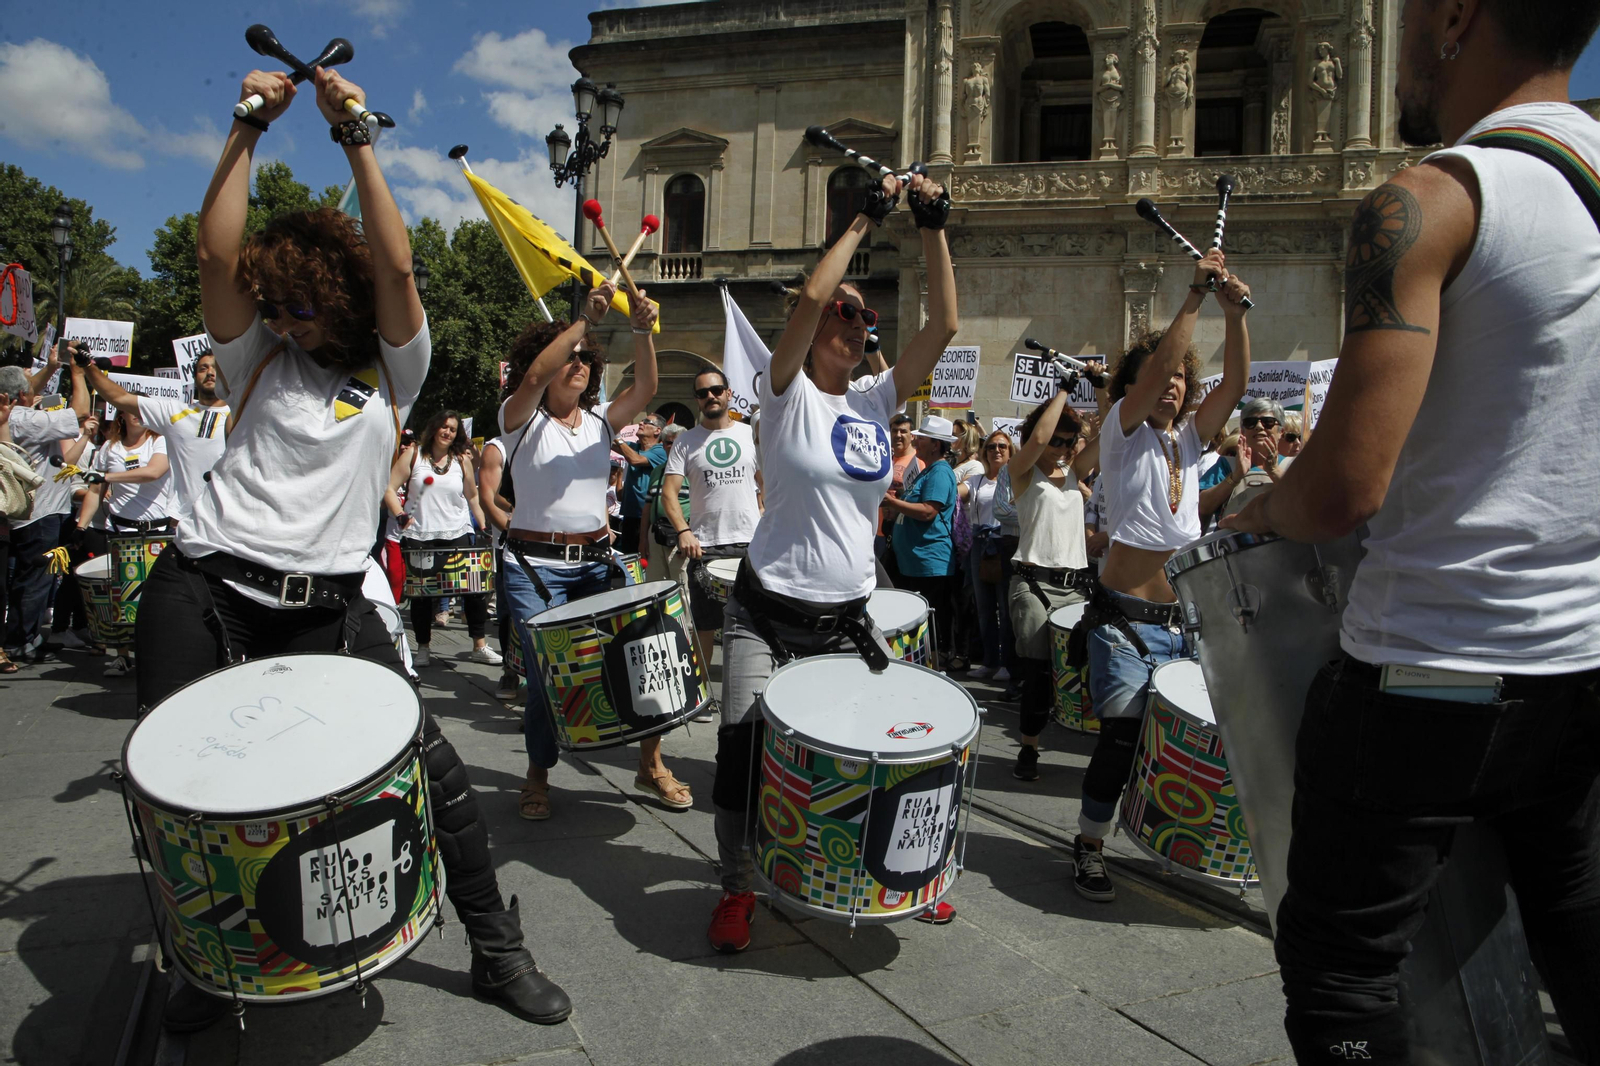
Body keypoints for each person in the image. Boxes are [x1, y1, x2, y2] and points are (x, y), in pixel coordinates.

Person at [133, 65, 570, 1030]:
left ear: (340, 296)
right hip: (205, 588)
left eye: (303, 307)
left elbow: (399, 271)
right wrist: (248, 124)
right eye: (273, 307)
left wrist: (356, 134)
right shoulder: (253, 353)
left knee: (433, 769)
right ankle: (204, 961)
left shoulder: (394, 369)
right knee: (175, 789)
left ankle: (497, 949)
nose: (284, 324)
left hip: (329, 605)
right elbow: (214, 256)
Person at [1221, 0, 1600, 1055]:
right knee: (1577, 926)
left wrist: (1260, 507)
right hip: (1580, 663)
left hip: (1432, 667)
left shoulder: (1430, 200)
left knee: (1343, 975)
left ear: (1455, 17)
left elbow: (1341, 490)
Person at [706, 165, 958, 952]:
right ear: (812, 327)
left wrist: (931, 226)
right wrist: (864, 218)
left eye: (865, 317)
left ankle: (876, 871)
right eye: (843, 313)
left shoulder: (877, 401)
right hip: (766, 611)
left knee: (866, 750)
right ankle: (738, 886)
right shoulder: (784, 392)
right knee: (742, 751)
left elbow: (945, 326)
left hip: (847, 615)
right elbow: (815, 294)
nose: (855, 323)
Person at [1074, 248, 1251, 903]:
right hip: (1123, 622)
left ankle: (1171, 837)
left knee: (1186, 742)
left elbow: (1236, 385)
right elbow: (1149, 381)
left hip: (1182, 626)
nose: (1171, 382)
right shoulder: (1121, 433)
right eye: (1159, 374)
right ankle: (1090, 844)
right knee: (1122, 739)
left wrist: (1235, 315)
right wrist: (1194, 298)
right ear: (1135, 385)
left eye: (1180, 375)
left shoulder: (1191, 441)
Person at [497, 290, 693, 822]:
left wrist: (642, 330)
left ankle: (650, 765)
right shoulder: (519, 418)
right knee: (547, 674)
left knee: (642, 658)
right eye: (570, 356)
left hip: (597, 564)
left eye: (587, 358)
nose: (579, 363)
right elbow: (533, 378)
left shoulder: (601, 421)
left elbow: (647, 387)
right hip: (535, 570)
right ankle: (537, 775)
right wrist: (584, 321)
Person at [1004, 381, 1104, 781]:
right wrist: (1063, 391)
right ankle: (1028, 748)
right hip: (1032, 583)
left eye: (1070, 440)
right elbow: (1039, 438)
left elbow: (1112, 431)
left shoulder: (1075, 471)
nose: (1062, 447)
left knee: (1077, 668)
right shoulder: (1022, 470)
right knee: (1038, 671)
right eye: (1057, 440)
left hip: (1075, 586)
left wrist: (1102, 388)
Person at [663, 366, 762, 702]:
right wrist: (683, 531)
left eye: (716, 390)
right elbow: (669, 493)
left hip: (750, 545)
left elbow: (769, 484)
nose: (711, 397)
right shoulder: (685, 441)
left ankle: (755, 697)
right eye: (703, 393)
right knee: (704, 627)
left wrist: (768, 517)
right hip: (704, 548)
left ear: (728, 393)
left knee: (756, 625)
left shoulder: (750, 435)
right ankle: (701, 695)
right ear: (697, 399)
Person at [389, 408, 499, 668]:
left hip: (459, 532)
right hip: (421, 535)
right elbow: (389, 488)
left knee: (474, 590)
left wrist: (483, 525)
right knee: (422, 596)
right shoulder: (413, 455)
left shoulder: (461, 460)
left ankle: (479, 646)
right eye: (444, 427)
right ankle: (423, 648)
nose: (448, 432)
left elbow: (472, 496)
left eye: (453, 429)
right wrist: (400, 514)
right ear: (434, 427)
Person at [70, 406, 173, 676]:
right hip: (121, 531)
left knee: (156, 598)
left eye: (142, 410)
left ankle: (156, 654)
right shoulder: (109, 448)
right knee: (121, 597)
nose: (138, 414)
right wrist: (81, 526)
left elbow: (153, 472)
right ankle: (123, 656)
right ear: (121, 416)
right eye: (131, 410)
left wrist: (107, 476)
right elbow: (95, 491)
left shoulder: (160, 441)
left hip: (157, 532)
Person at [2, 354, 89, 662]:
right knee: (35, 580)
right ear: (21, 395)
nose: (35, 386)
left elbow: (21, 390)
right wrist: (77, 373)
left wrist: (52, 367)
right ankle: (21, 641)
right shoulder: (27, 419)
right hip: (39, 514)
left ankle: (26, 636)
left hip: (26, 512)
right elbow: (81, 412)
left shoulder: (12, 415)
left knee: (26, 579)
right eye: (30, 384)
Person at [83, 350, 228, 523]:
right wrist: (87, 366)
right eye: (203, 368)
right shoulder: (174, 413)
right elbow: (120, 397)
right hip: (185, 520)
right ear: (195, 377)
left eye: (216, 368)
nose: (210, 373)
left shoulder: (241, 416)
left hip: (226, 519)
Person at [884, 415, 961, 668]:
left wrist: (894, 503)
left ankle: (935, 663)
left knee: (932, 619)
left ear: (936, 444)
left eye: (922, 438)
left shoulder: (940, 472)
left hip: (929, 563)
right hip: (914, 562)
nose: (915, 440)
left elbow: (928, 511)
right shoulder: (928, 470)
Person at [961, 430, 1018, 681]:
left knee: (1005, 608)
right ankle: (990, 662)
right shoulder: (976, 480)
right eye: (992, 446)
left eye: (1002, 446)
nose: (997, 450)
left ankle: (1007, 663)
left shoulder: (1016, 479)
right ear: (984, 452)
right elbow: (956, 491)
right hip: (980, 545)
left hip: (1005, 545)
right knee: (984, 608)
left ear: (1010, 451)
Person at [1198, 397, 1291, 522]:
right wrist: (1235, 477)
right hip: (1234, 534)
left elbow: (1304, 503)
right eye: (1250, 422)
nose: (1259, 426)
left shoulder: (1293, 465)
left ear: (1281, 431)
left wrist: (1274, 471)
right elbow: (1202, 507)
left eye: (1268, 422)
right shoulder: (1228, 464)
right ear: (1243, 431)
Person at [876, 412, 920, 577]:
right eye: (894, 431)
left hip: (903, 532)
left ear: (912, 436)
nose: (898, 435)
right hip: (879, 530)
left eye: (903, 431)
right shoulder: (884, 458)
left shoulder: (918, 462)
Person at [614, 414, 664, 556]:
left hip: (648, 518)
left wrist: (617, 437)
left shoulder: (661, 451)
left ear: (657, 430)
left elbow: (635, 460)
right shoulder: (633, 447)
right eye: (641, 420)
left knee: (646, 559)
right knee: (629, 560)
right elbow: (607, 442)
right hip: (630, 515)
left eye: (647, 421)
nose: (641, 423)